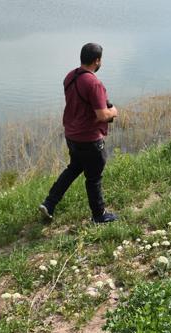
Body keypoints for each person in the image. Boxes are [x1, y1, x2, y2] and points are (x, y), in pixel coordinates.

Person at [40, 43, 119, 223]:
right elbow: (101, 115)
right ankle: (99, 215)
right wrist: (113, 111)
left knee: (74, 168)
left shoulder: (70, 76)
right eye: (101, 60)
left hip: (72, 135)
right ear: (97, 60)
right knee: (93, 178)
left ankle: (49, 203)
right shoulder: (94, 83)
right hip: (89, 139)